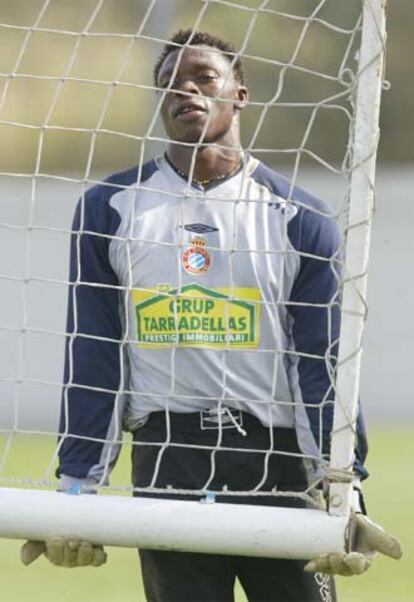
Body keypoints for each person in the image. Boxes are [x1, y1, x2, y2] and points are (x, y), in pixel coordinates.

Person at [20, 30, 401, 601]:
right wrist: (77, 493)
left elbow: (321, 363)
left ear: (240, 94)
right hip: (168, 459)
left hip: (275, 462)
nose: (187, 91)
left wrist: (345, 490)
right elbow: (94, 354)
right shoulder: (110, 208)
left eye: (204, 78)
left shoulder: (299, 216)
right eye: (172, 83)